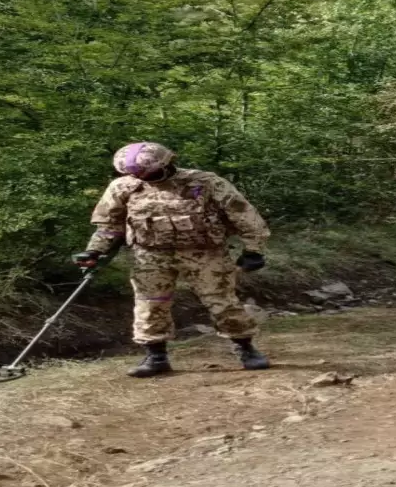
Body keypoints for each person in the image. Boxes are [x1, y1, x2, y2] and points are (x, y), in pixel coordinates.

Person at [77, 142, 272, 378]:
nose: (143, 177)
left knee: (221, 300)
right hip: (150, 253)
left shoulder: (205, 182)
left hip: (204, 251)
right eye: (136, 174)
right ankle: (155, 357)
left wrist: (254, 250)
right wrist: (94, 251)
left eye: (147, 172)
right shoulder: (124, 187)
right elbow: (109, 225)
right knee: (150, 304)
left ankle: (246, 349)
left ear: (167, 162)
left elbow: (243, 215)